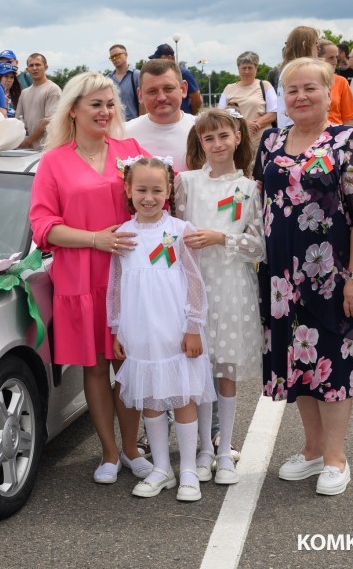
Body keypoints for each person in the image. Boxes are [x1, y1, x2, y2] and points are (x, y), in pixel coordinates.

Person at [256, 58, 353, 496]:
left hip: (333, 279)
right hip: (281, 280)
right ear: (282, 98)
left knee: (335, 364)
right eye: (291, 90)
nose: (301, 96)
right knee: (301, 365)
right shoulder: (270, 141)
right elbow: (265, 205)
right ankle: (312, 450)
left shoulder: (349, 140)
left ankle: (335, 457)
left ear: (330, 93)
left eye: (310, 88)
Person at [29, 72, 151, 484]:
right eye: (95, 104)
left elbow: (158, 197)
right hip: (81, 277)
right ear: (75, 110)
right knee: (97, 368)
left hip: (129, 275)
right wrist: (95, 240)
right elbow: (43, 226)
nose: (104, 112)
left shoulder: (130, 151)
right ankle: (110, 452)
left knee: (129, 364)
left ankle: (134, 448)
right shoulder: (54, 161)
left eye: (110, 104)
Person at [108, 156, 215, 501]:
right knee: (151, 399)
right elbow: (116, 285)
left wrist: (193, 326)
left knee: (182, 396)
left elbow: (195, 282)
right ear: (128, 190)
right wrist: (116, 329)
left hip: (175, 330)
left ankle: (186, 469)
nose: (149, 197)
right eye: (141, 189)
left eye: (157, 190)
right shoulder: (122, 235)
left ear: (169, 190)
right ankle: (161, 469)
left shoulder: (180, 231)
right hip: (140, 331)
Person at [178, 109, 264, 486]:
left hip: (232, 285)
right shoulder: (186, 183)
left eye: (223, 137)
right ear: (200, 143)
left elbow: (260, 246)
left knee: (225, 370)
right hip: (195, 286)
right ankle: (203, 449)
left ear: (238, 138)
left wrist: (222, 237)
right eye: (208, 139)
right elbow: (176, 233)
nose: (216, 145)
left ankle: (225, 448)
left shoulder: (249, 188)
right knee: (200, 369)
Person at [126, 59, 196, 174]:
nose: (161, 97)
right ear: (140, 95)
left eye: (168, 89)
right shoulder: (124, 134)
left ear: (183, 89)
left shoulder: (202, 131)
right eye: (152, 91)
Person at [218, 51, 277, 169]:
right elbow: (220, 115)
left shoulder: (265, 85)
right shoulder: (229, 88)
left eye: (250, 68)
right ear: (238, 69)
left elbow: (274, 113)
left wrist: (255, 125)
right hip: (237, 142)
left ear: (256, 69)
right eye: (243, 68)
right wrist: (244, 124)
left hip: (261, 141)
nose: (247, 71)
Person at [275, 26, 319, 129]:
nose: (318, 48)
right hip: (299, 127)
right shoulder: (300, 69)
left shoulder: (288, 68)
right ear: (304, 45)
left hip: (287, 126)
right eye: (315, 43)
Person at [15, 53, 62, 149]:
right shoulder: (24, 93)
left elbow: (47, 122)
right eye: (31, 65)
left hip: (49, 149)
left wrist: (28, 141)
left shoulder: (53, 89)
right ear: (27, 70)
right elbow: (18, 122)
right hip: (30, 152)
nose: (34, 68)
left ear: (46, 67)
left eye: (38, 64)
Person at [149, 44, 201, 114]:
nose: (156, 62)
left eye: (159, 58)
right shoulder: (159, 76)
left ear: (170, 58)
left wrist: (190, 115)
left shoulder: (184, 73)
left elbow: (197, 99)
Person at [317, 40, 353, 126]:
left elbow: (348, 119)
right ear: (318, 58)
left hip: (337, 136)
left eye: (336, 57)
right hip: (311, 135)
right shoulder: (307, 81)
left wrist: (348, 138)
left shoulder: (341, 82)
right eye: (331, 58)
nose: (335, 62)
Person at [108, 44, 144, 121]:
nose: (114, 58)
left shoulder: (137, 75)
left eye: (117, 55)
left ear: (126, 55)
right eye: (112, 57)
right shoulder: (107, 79)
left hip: (134, 124)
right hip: (114, 125)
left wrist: (141, 122)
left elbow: (143, 102)